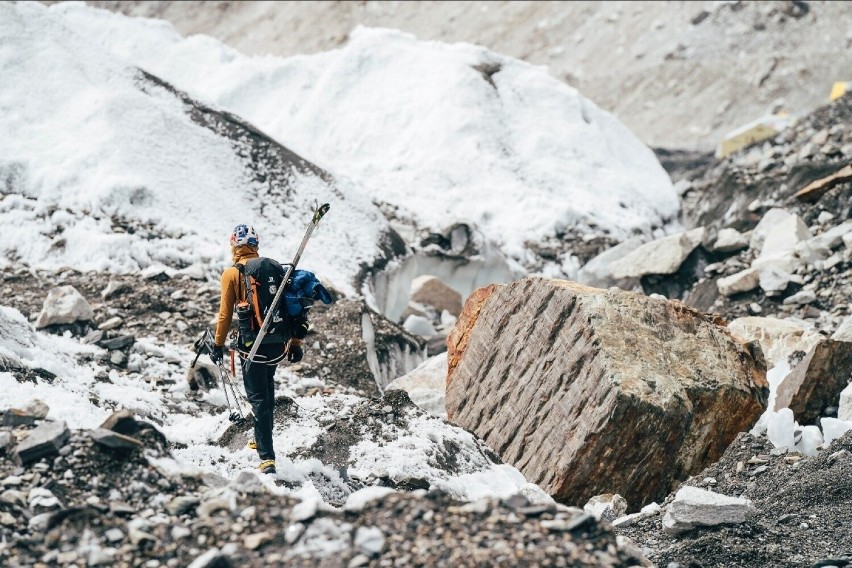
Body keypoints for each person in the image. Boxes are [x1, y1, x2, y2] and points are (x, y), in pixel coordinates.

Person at [211, 224, 308, 475]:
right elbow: (290, 307)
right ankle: (261, 435)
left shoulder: (232, 273)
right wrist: (295, 342)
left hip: (251, 346)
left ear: (234, 245)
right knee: (267, 384)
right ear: (255, 245)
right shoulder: (275, 268)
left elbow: (224, 315)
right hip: (278, 344)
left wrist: (217, 344)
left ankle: (267, 457)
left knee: (258, 398)